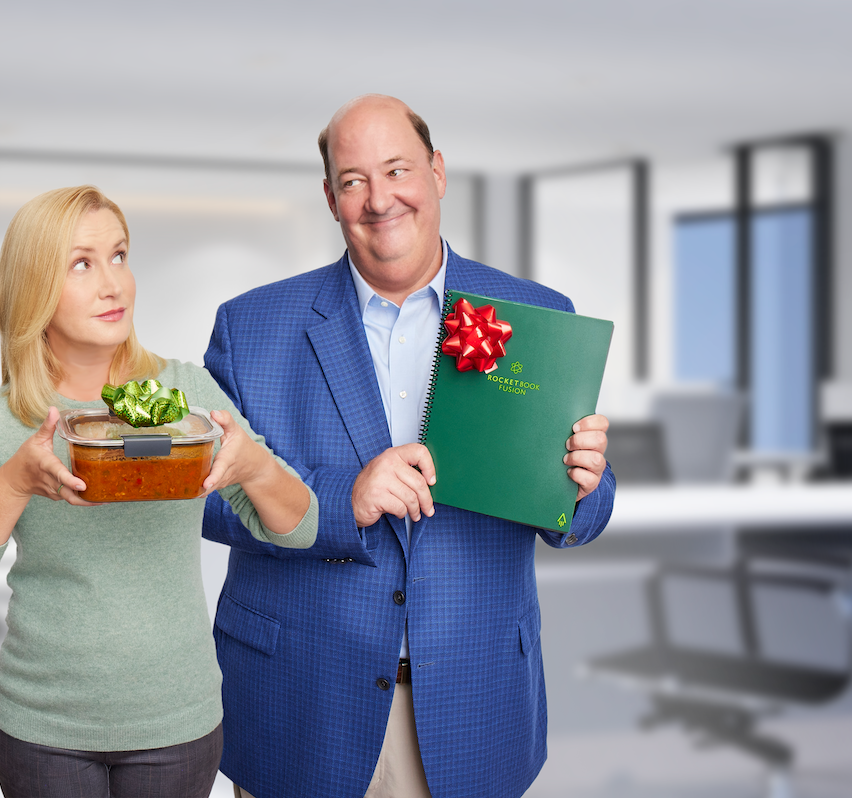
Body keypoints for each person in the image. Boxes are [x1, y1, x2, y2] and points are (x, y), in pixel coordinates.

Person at [201, 95, 615, 798]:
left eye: (397, 170)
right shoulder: (253, 326)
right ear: (330, 197)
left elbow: (580, 512)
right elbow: (204, 499)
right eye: (354, 179)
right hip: (301, 704)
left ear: (438, 173)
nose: (378, 198)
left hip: (472, 705)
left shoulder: (539, 317)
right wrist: (341, 499)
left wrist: (584, 484)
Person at [0, 185, 318, 798]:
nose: (114, 284)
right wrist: (14, 481)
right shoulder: (2, 420)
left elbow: (300, 528)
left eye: (119, 256)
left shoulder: (188, 395)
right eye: (82, 263)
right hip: (43, 728)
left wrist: (256, 470)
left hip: (178, 721)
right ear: (34, 287)